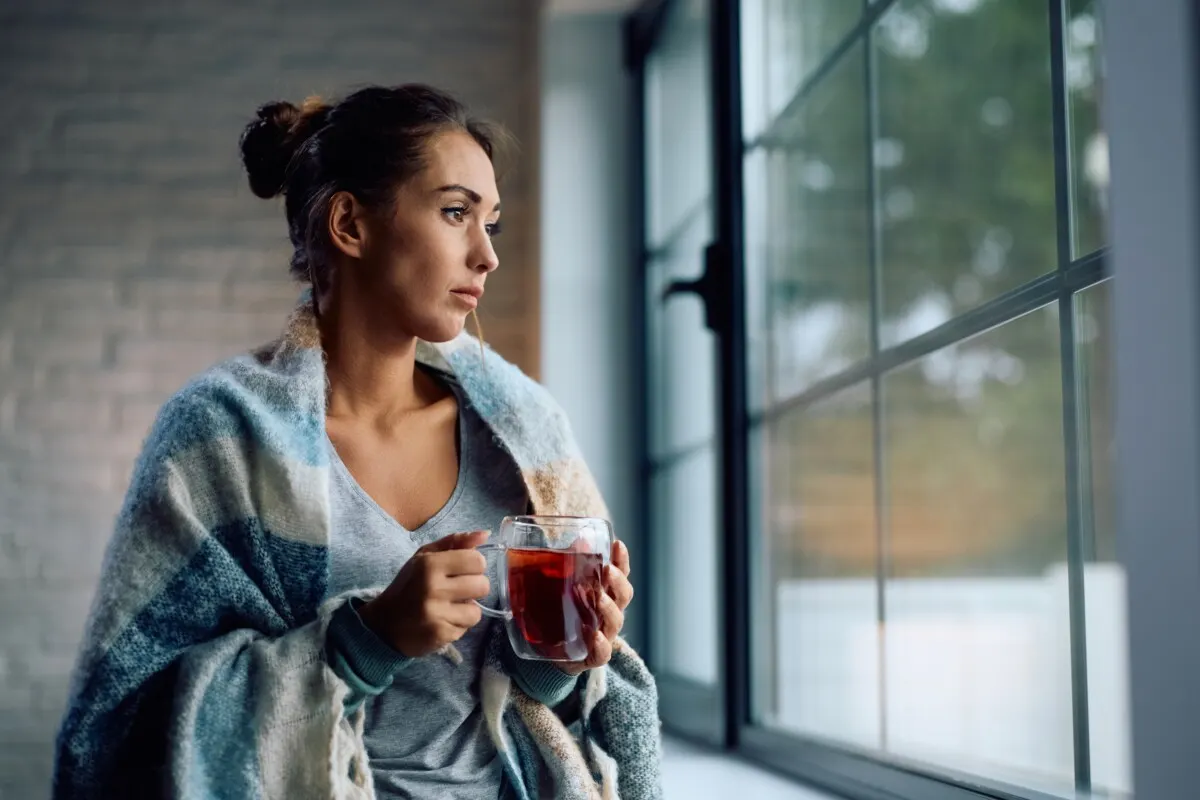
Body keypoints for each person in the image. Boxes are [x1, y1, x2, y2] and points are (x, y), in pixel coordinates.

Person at [53, 84, 662, 800]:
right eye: (456, 212)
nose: (486, 256)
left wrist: (557, 660)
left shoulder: (527, 434)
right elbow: (120, 725)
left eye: (490, 223)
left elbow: (557, 710)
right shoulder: (219, 438)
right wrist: (363, 643)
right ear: (350, 223)